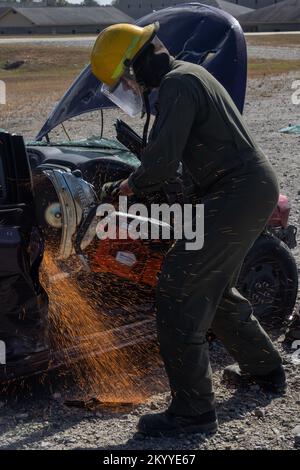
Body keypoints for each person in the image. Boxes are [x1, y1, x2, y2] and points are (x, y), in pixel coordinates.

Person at [91, 23, 286, 437]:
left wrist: (124, 188)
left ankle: (193, 412)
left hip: (235, 193)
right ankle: (266, 369)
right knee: (213, 288)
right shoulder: (188, 75)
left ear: (137, 63)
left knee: (179, 288)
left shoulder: (179, 83)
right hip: (236, 191)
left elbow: (160, 164)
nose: (130, 87)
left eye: (125, 80)